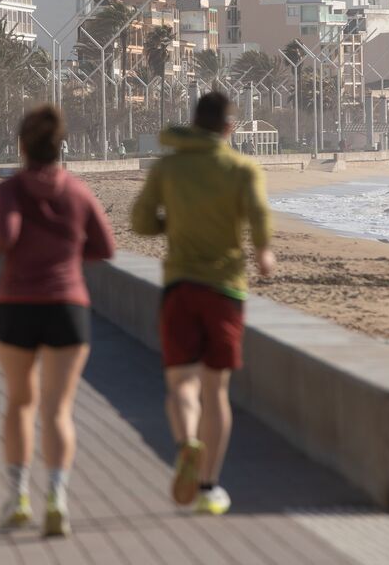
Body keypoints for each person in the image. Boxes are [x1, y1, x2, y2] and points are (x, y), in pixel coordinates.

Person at [131, 91, 274, 516]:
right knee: (218, 391)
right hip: (225, 289)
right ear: (230, 127)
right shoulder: (241, 168)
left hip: (179, 286)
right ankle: (210, 486)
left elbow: (140, 220)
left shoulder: (169, 167)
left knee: (181, 385)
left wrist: (170, 223)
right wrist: (264, 251)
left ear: (194, 123)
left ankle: (185, 442)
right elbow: (260, 215)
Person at [0, 105, 115, 537]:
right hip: (67, 306)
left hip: (17, 303)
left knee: (20, 402)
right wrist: (71, 259)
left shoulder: (11, 190)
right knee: (58, 410)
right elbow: (106, 247)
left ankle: (18, 496)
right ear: (61, 145)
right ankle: (57, 498)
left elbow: (7, 234)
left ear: (22, 145)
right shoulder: (77, 191)